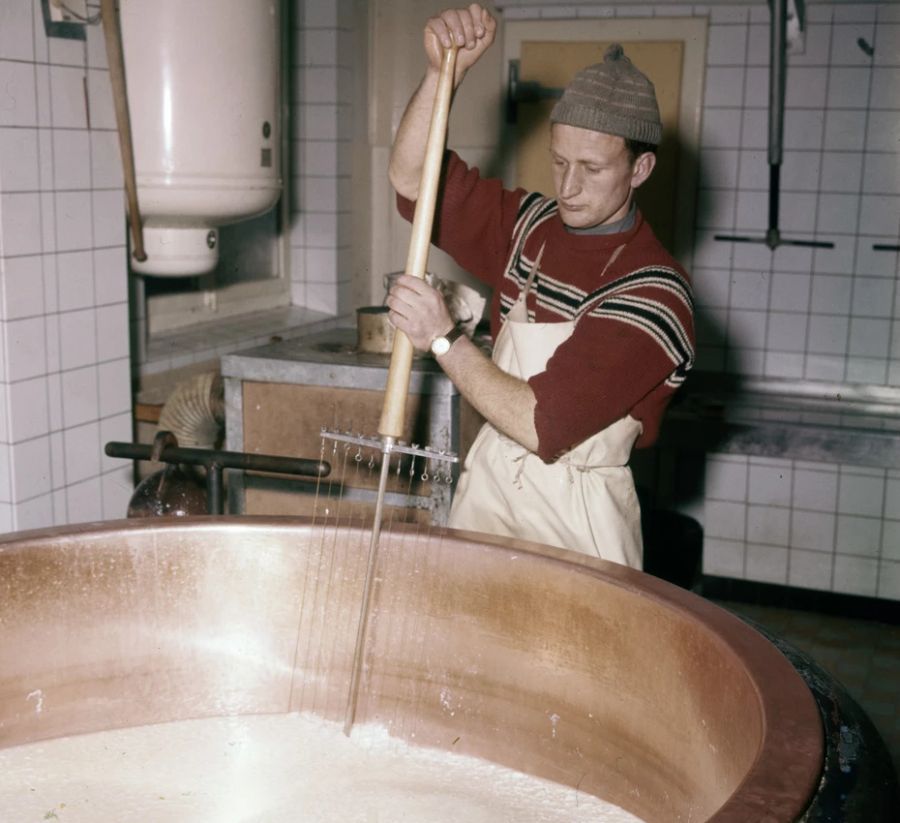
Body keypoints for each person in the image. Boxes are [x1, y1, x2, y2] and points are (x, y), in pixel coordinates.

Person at [385, 4, 694, 569]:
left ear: (640, 170)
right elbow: (412, 178)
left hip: (576, 520)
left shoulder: (656, 295)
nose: (569, 188)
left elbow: (540, 423)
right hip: (491, 492)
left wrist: (443, 338)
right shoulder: (531, 226)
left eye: (593, 169)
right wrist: (441, 78)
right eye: (558, 161)